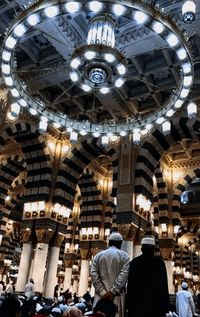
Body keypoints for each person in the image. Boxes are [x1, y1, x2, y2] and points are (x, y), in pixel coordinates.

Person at [127, 235, 169, 317]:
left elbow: (130, 286)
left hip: (137, 306)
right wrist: (165, 307)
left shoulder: (134, 263)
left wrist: (129, 305)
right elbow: (164, 286)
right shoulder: (159, 263)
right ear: (153, 249)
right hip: (156, 307)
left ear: (141, 249)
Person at [90, 232, 130, 317]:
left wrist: (102, 292)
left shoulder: (98, 256)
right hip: (116, 298)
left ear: (109, 242)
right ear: (120, 244)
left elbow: (93, 275)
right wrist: (112, 292)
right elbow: (123, 276)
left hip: (100, 298)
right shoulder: (124, 256)